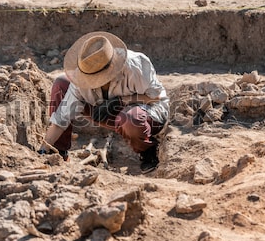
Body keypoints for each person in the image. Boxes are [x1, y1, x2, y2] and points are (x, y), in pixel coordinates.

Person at [38, 31, 169, 173]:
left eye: (98, 77)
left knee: (130, 118)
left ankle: (147, 150)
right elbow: (61, 118)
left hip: (147, 113)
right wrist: (44, 149)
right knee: (62, 83)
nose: (93, 82)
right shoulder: (82, 76)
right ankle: (57, 151)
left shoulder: (136, 65)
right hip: (106, 113)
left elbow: (156, 97)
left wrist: (122, 101)